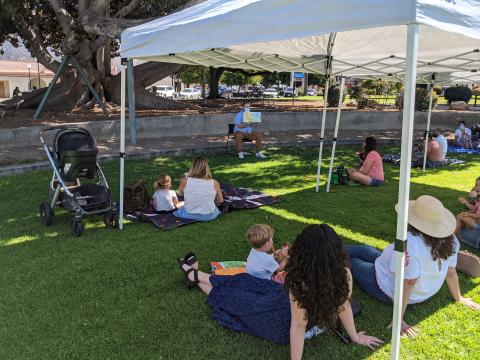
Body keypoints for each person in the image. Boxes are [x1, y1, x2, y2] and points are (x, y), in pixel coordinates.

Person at [177, 224, 383, 358]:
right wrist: (354, 337)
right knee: (244, 281)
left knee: (234, 298)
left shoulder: (300, 279)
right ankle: (195, 275)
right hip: (280, 302)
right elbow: (342, 305)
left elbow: (298, 324)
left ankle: (193, 275)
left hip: (279, 321)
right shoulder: (344, 272)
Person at [345, 195, 480, 337]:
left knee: (352, 261)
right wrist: (459, 298)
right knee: (363, 249)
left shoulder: (409, 242)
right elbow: (451, 272)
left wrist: (398, 319)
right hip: (391, 267)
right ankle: (329, 247)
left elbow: (409, 281)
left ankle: (327, 251)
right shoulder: (451, 239)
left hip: (385, 284)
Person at [174, 157, 223, 221]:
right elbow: (220, 200)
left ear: (193, 168)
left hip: (188, 215)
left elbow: (180, 194)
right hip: (209, 215)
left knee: (179, 206)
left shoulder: (184, 181)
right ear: (206, 168)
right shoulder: (215, 183)